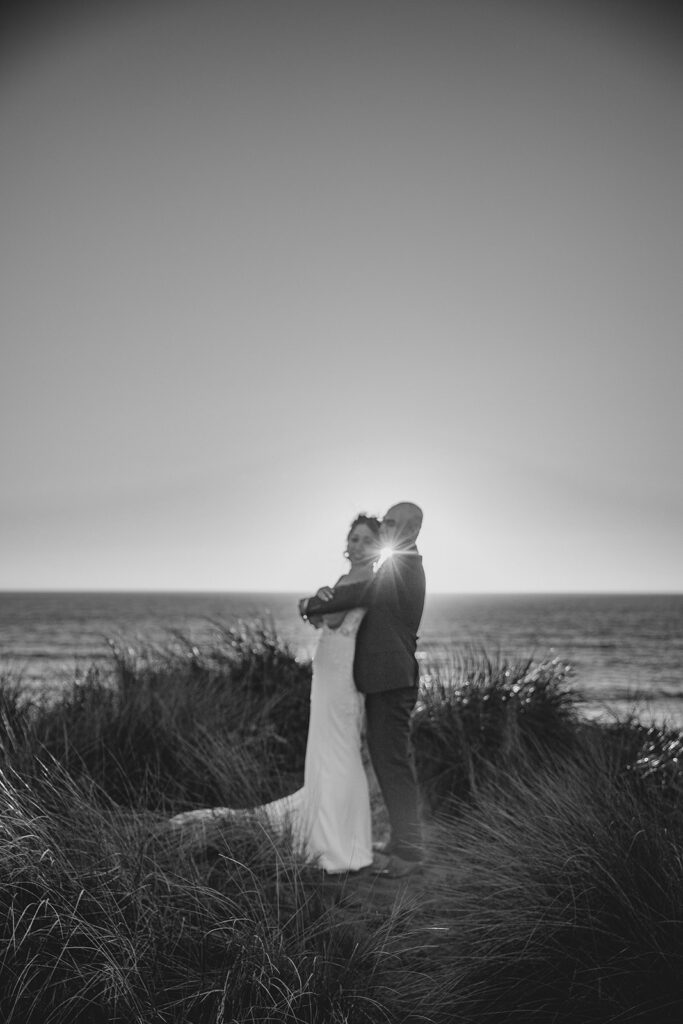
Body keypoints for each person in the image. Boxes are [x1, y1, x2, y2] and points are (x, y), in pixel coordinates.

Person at [170, 514, 381, 875]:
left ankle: (337, 842)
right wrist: (318, 605)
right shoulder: (357, 579)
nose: (357, 545)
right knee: (336, 746)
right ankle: (346, 838)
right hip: (333, 665)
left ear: (377, 546)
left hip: (339, 666)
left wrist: (316, 600)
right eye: (354, 538)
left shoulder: (358, 578)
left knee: (337, 749)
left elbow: (329, 619)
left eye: (365, 539)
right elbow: (321, 618)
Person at [299, 502, 426, 879]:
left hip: (393, 679)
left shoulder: (405, 564)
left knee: (394, 763)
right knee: (387, 760)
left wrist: (309, 604)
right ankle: (399, 841)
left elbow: (361, 595)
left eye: (391, 522)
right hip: (382, 679)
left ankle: (410, 851)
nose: (385, 527)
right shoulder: (395, 563)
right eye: (384, 521)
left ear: (412, 529)